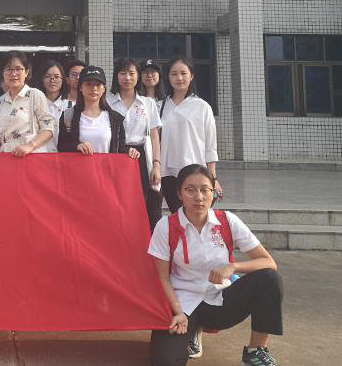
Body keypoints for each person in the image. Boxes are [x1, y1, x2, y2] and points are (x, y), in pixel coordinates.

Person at [148, 164, 283, 366]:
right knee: (164, 360)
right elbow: (162, 277)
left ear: (213, 193)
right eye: (190, 190)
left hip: (220, 299)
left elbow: (268, 262)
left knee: (269, 279)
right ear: (179, 194)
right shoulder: (166, 226)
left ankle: (255, 352)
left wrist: (233, 267)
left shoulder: (227, 221)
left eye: (205, 190)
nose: (199, 197)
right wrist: (178, 312)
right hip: (183, 303)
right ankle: (192, 330)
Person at [106, 58, 163, 232]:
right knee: (120, 204)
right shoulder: (107, 102)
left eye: (132, 73)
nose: (127, 78)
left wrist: (156, 164)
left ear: (138, 76)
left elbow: (154, 135)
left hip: (142, 156)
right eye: (123, 73)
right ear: (116, 76)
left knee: (147, 203)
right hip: (117, 155)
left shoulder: (148, 103)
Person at [159, 58, 219, 214]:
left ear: (191, 76)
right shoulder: (160, 106)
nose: (179, 78)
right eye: (174, 74)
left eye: (183, 73)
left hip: (194, 172)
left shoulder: (202, 107)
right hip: (168, 174)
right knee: (177, 216)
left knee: (195, 216)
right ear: (168, 77)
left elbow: (211, 144)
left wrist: (213, 177)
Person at [57, 66, 130, 156]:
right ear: (80, 87)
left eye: (98, 85)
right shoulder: (68, 116)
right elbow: (61, 146)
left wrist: (130, 152)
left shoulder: (116, 119)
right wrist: (77, 146)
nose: (94, 88)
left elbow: (121, 149)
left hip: (106, 165)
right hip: (78, 165)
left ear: (104, 89)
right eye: (89, 84)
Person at [0, 51, 57, 155]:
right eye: (9, 69)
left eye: (18, 69)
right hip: (7, 156)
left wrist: (30, 146)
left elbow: (49, 128)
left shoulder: (35, 95)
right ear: (3, 73)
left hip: (32, 154)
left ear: (26, 72)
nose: (13, 74)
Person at [38, 59, 68, 147]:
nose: (52, 80)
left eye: (57, 77)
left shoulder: (71, 106)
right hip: (39, 152)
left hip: (64, 153)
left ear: (63, 80)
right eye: (47, 76)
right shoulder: (35, 105)